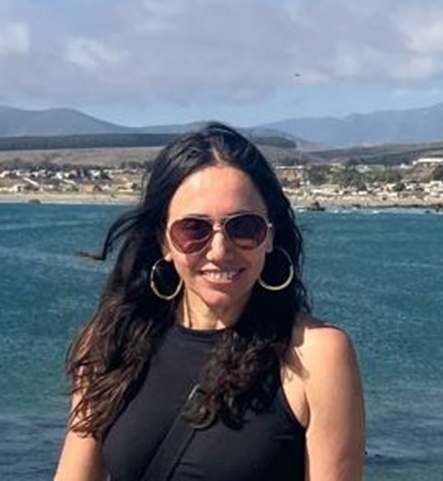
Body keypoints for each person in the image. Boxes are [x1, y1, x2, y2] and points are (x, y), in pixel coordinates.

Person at [55, 122, 365, 481]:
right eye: (193, 230)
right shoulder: (112, 342)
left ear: (269, 235)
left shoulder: (315, 356)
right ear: (164, 241)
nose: (219, 251)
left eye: (243, 228)